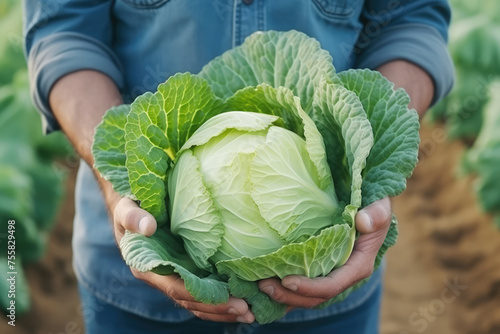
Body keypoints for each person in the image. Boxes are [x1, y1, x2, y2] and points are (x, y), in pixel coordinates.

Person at [24, 1, 454, 333]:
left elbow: (411, 19)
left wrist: (368, 170)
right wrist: (121, 190)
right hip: (133, 291)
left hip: (329, 285)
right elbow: (65, 31)